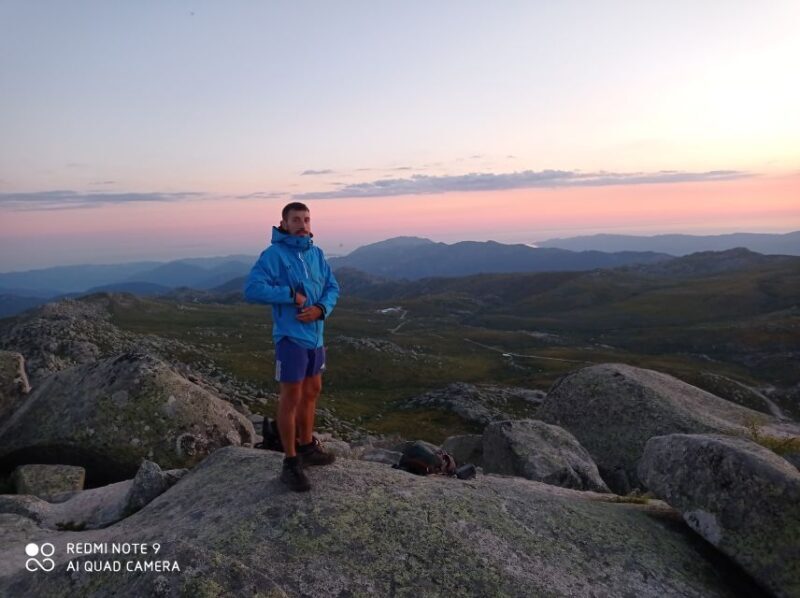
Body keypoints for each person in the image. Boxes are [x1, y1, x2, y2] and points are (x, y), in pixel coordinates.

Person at [244, 202, 340, 491]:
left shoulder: (317, 253)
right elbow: (252, 289)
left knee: (312, 391)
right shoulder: (274, 255)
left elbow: (333, 287)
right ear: (283, 223)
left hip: (316, 336)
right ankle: (290, 461)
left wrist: (321, 308)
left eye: (306, 219)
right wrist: (289, 296)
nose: (302, 224)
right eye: (296, 219)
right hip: (290, 337)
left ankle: (307, 445)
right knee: (292, 396)